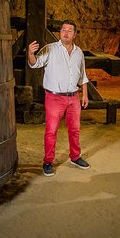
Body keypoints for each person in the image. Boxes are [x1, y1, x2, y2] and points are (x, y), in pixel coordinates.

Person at [27, 19, 90, 177]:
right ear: (60, 32)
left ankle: (75, 157)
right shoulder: (50, 49)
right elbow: (35, 64)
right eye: (63, 30)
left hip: (74, 97)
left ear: (74, 34)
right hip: (54, 98)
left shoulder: (79, 53)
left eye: (69, 30)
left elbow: (83, 75)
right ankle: (48, 162)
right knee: (51, 131)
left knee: (75, 130)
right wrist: (30, 54)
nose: (66, 32)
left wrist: (85, 94)